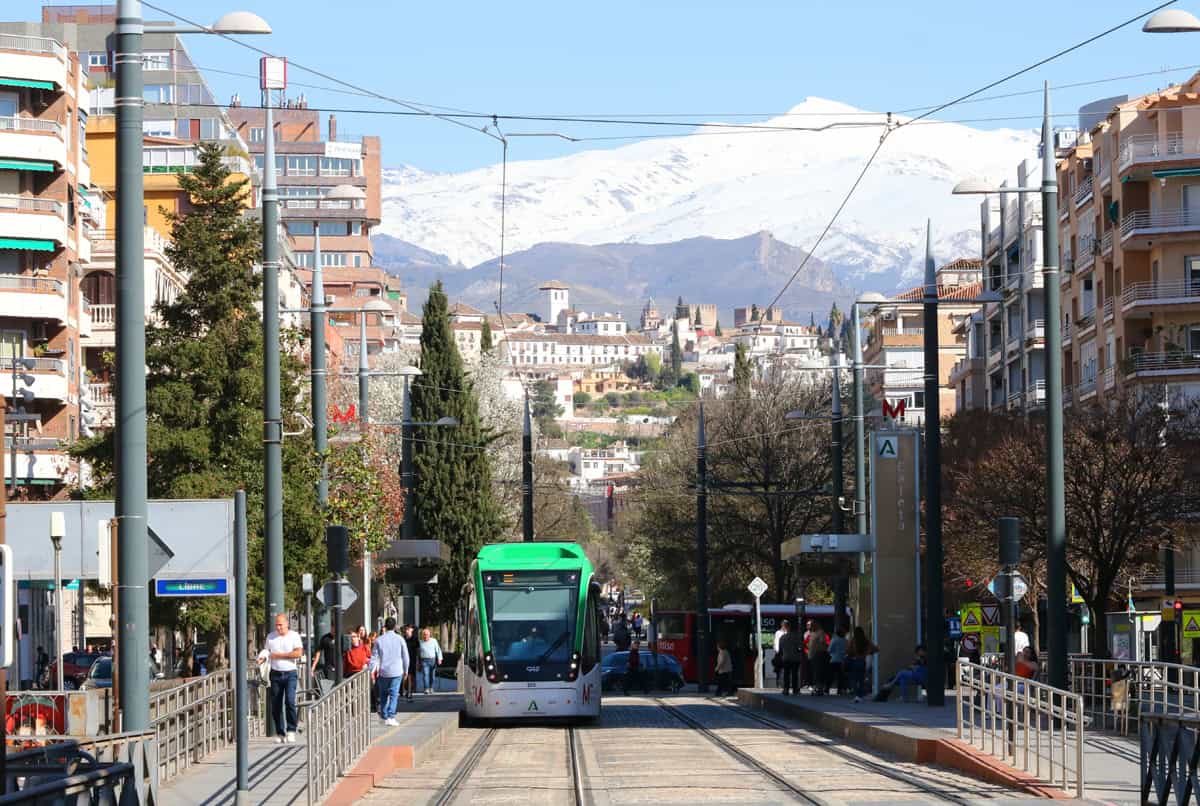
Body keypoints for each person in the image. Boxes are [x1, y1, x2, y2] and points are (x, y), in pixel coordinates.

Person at [258, 613, 303, 743]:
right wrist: (262, 658)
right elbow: (267, 652)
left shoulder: (294, 636)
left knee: (289, 701)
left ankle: (291, 730)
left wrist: (278, 655)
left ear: (287, 624)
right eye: (276, 625)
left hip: (290, 673)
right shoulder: (271, 637)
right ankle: (280, 732)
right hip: (275, 673)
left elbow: (298, 653)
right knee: (276, 704)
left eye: (281, 625)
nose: (278, 628)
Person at [368, 617, 410, 727]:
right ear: (395, 626)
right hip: (397, 671)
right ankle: (391, 716)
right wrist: (406, 670)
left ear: (385, 627)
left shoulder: (379, 640)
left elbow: (374, 657)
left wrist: (371, 671)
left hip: (383, 671)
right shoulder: (400, 639)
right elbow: (405, 656)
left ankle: (384, 716)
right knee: (394, 694)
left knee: (383, 694)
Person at [847, 626, 878, 702]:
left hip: (854, 661)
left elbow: (848, 650)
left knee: (853, 679)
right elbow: (876, 649)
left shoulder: (853, 640)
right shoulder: (866, 640)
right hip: (863, 661)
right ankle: (859, 696)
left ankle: (857, 695)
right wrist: (868, 652)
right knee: (861, 680)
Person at [778, 622, 803, 696]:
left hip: (786, 658)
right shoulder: (797, 637)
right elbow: (800, 648)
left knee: (786, 674)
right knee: (795, 674)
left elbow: (780, 649)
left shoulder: (782, 638)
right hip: (795, 658)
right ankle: (795, 689)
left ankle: (786, 689)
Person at [311, 629, 338, 694]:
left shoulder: (341, 637)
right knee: (331, 688)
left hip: (340, 668)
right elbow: (318, 652)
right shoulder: (325, 638)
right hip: (330, 668)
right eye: (333, 628)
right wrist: (313, 667)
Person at [806, 621, 829, 695]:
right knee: (814, 672)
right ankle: (816, 687)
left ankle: (819, 688)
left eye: (811, 626)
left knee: (818, 672)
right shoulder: (812, 633)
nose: (810, 627)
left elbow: (823, 642)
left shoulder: (820, 632)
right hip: (812, 655)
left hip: (818, 654)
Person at [418, 628, 444, 694]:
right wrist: (418, 662)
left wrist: (439, 659)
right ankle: (426, 688)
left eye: (427, 634)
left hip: (432, 660)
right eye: (424, 634)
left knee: (432, 676)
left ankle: (431, 687)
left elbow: (438, 650)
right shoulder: (420, 642)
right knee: (425, 675)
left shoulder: (434, 641)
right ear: (422, 635)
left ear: (429, 635)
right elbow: (418, 653)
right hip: (424, 660)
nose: (425, 636)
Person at [827, 627, 847, 696]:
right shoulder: (845, 640)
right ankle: (839, 690)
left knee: (831, 675)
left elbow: (829, 649)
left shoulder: (834, 640)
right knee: (840, 676)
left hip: (834, 659)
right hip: (842, 660)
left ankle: (827, 689)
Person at [402, 625, 419, 702]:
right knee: (404, 676)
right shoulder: (403, 639)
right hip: (404, 660)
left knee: (411, 676)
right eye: (406, 630)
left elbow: (418, 651)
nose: (407, 631)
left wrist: (418, 661)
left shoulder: (415, 639)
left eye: (408, 630)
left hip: (412, 660)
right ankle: (404, 689)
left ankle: (409, 692)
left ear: (411, 631)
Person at [772, 621, 790, 687]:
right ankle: (779, 684)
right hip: (780, 653)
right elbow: (776, 642)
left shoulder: (788, 632)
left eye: (785, 625)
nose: (784, 627)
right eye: (783, 625)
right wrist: (778, 651)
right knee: (779, 669)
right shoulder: (778, 633)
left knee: (786, 669)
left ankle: (785, 684)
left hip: (787, 653)